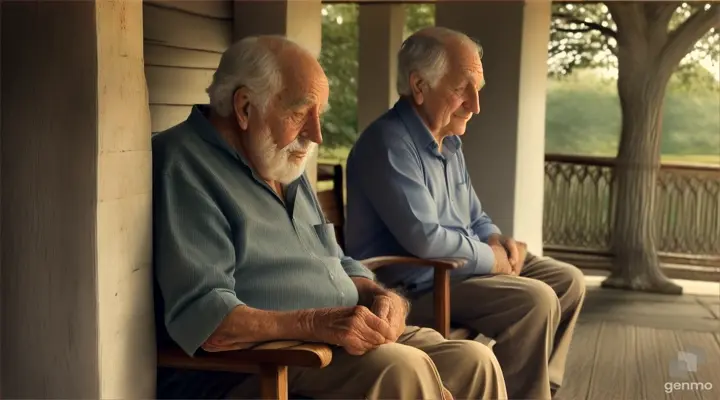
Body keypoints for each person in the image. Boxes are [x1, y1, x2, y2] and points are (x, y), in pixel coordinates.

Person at [152, 35, 507, 400]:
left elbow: (336, 259)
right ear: (244, 107)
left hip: (340, 341)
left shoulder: (279, 160)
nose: (315, 134)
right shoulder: (183, 165)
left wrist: (380, 296)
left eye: (318, 114)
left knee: (475, 361)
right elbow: (208, 318)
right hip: (270, 367)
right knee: (404, 370)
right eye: (300, 113)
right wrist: (317, 324)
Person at [345, 27, 586, 400]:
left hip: (461, 270)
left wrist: (494, 238)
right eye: (462, 89)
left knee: (567, 280)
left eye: (479, 88)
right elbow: (425, 240)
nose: (476, 105)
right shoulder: (388, 144)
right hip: (420, 286)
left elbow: (474, 214)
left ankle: (536, 387)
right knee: (535, 302)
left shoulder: (449, 142)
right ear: (420, 85)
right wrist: (493, 259)